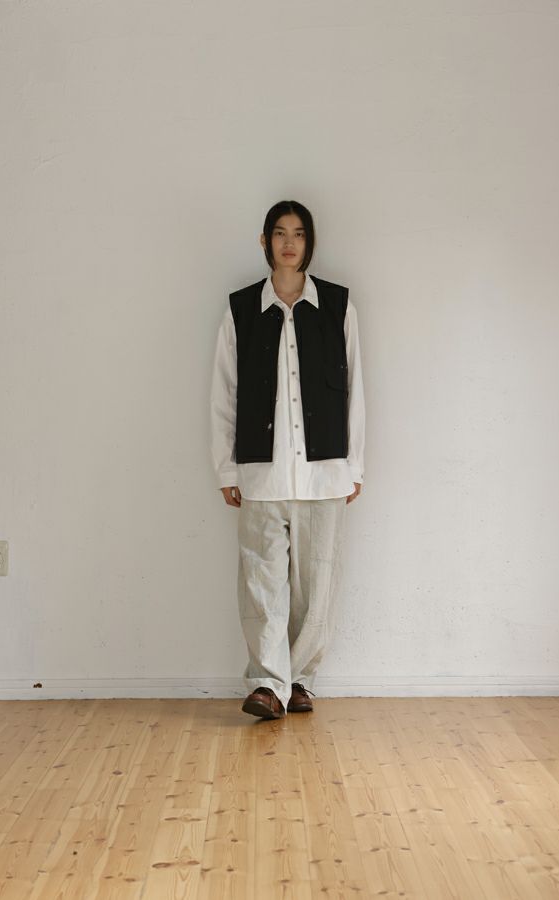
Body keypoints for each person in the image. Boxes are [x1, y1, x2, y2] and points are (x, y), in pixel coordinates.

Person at [210, 199, 365, 719]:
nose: (289, 242)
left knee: (316, 587)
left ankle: (298, 681)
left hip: (325, 474)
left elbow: (356, 390)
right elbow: (224, 393)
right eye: (279, 233)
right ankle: (267, 684)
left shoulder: (339, 306)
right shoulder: (240, 310)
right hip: (262, 472)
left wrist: (354, 466)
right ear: (265, 241)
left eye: (298, 233)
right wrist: (226, 468)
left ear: (310, 241)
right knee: (261, 584)